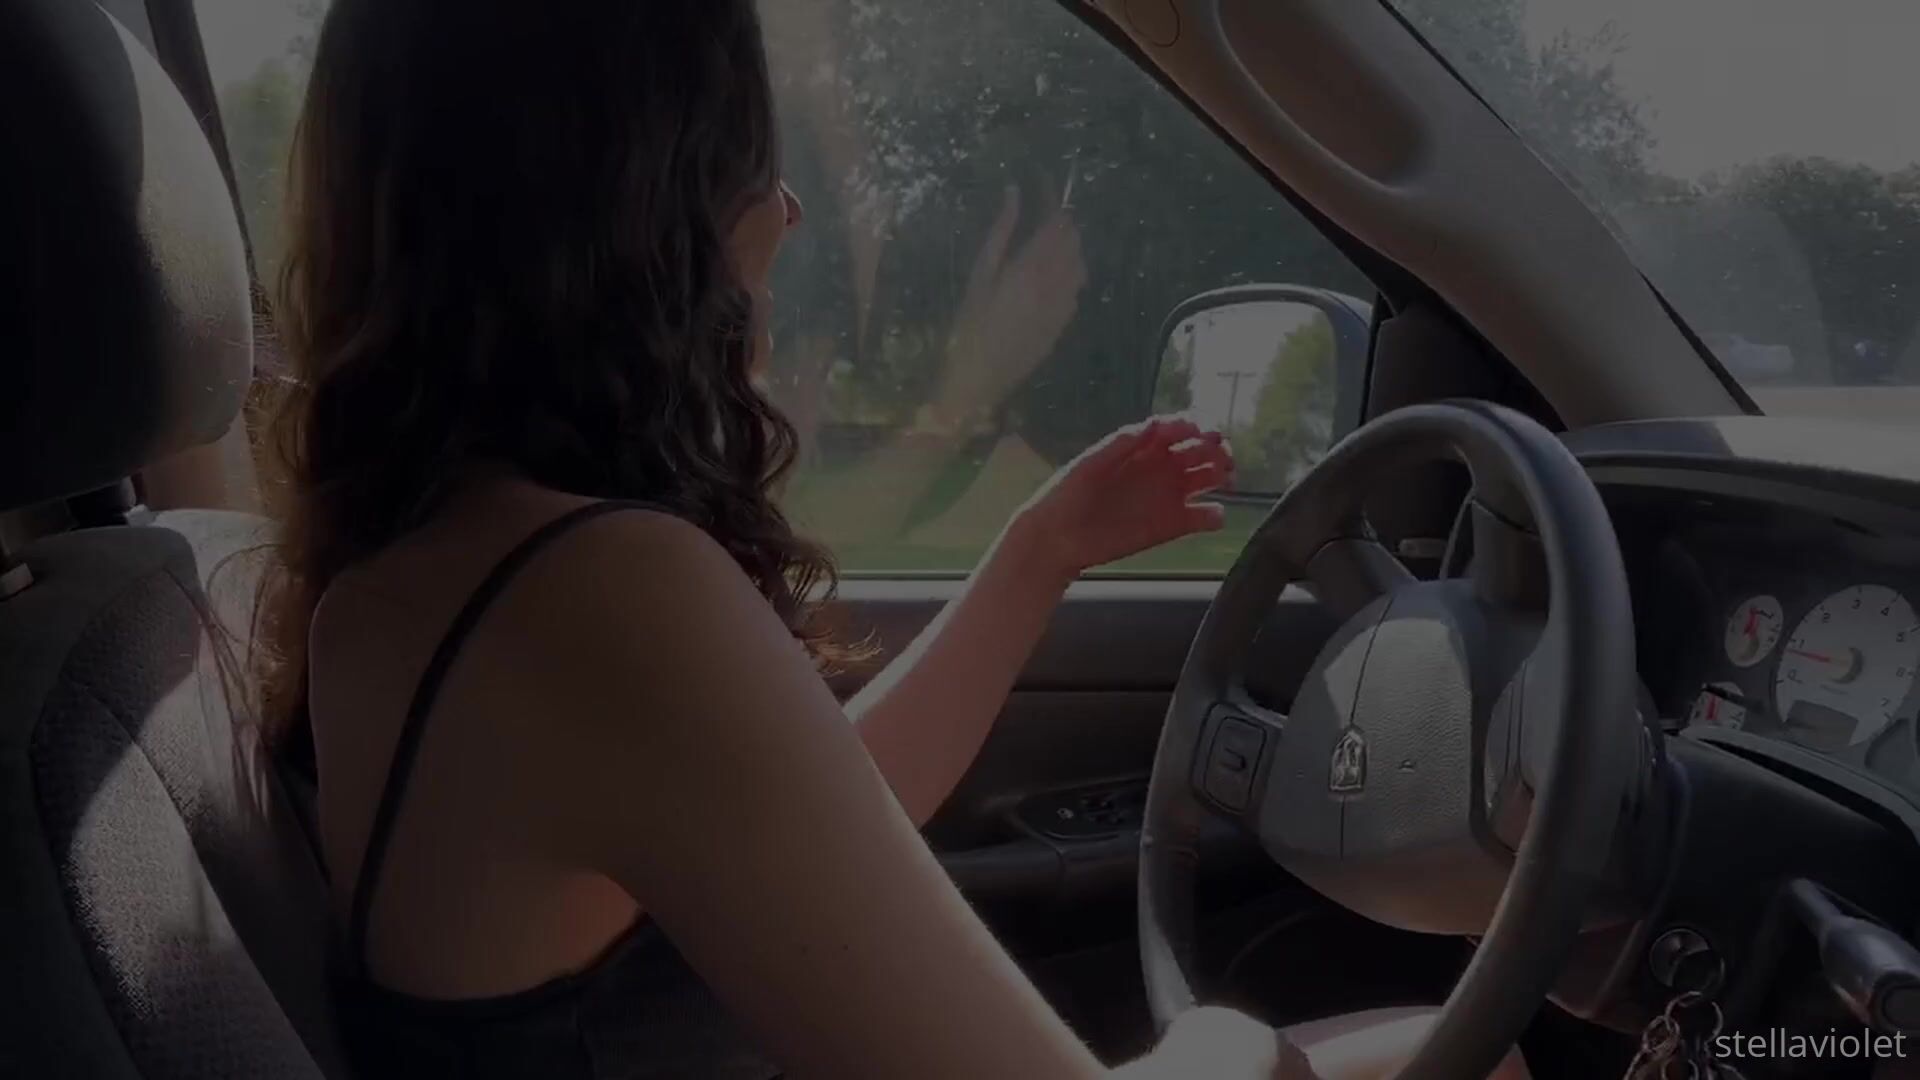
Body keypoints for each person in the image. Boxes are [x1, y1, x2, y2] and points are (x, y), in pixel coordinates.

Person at [259, 1, 1527, 1077]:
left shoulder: (401, 577)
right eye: (743, 153)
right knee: (1469, 1054)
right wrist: (1232, 1039)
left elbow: (806, 822)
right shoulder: (592, 596)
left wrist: (1038, 551)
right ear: (636, 194)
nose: (787, 210)